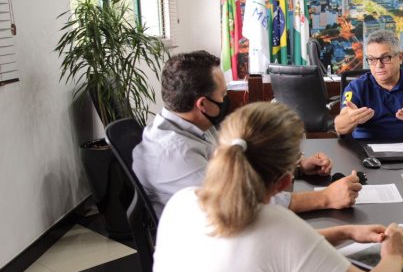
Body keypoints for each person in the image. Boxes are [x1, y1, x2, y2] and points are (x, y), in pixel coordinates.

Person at [139, 102, 403, 272]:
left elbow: (262, 255)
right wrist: (395, 255)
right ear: (284, 182)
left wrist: (345, 232)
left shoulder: (182, 201)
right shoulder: (277, 227)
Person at [133, 51, 361, 217]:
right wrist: (325, 198)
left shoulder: (192, 126)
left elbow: (238, 164)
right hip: (210, 247)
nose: (225, 101)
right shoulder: (177, 152)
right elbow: (244, 201)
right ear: (202, 104)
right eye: (223, 95)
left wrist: (298, 166)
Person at [334, 30, 403, 139]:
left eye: (385, 58)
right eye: (372, 59)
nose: (378, 65)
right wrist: (351, 119)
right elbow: (339, 127)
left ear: (400, 57)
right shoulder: (356, 87)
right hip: (366, 151)